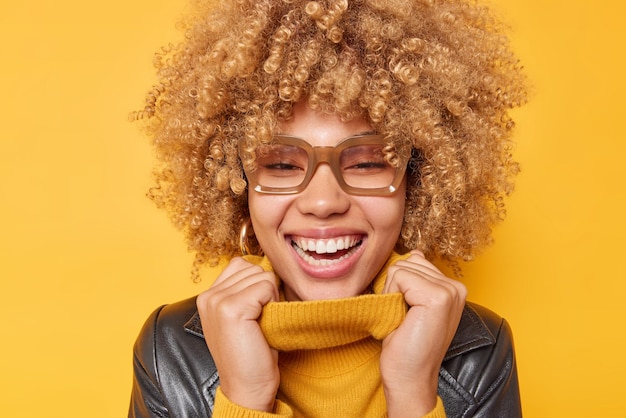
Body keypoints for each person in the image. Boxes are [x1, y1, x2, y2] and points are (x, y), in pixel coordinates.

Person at [128, 0, 527, 416]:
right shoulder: (169, 349)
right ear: (238, 185)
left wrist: (413, 392)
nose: (323, 203)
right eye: (281, 164)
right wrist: (245, 398)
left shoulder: (477, 346)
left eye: (369, 162)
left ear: (419, 183)